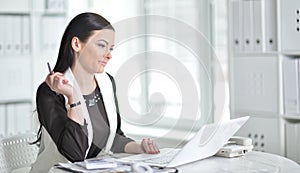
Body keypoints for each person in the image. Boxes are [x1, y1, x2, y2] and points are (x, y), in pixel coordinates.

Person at [30, 12, 160, 173]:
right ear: (77, 44)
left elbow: (112, 138)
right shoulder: (49, 92)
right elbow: (74, 154)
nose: (109, 55)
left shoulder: (106, 83)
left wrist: (139, 147)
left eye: (110, 48)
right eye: (101, 45)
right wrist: (73, 96)